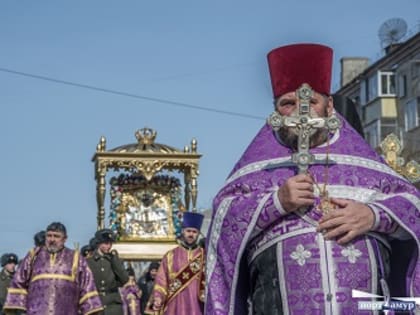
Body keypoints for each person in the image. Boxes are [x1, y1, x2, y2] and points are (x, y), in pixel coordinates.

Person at [205, 43, 420, 314]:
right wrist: (276, 201)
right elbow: (223, 220)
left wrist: (373, 215)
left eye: (311, 102)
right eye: (288, 103)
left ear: (330, 106)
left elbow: (414, 205)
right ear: (274, 111)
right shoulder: (260, 167)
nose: (301, 112)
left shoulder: (366, 164)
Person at [3, 222, 103, 315]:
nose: (52, 239)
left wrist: (90, 309)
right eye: (49, 235)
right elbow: (18, 281)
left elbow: (87, 286)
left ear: (65, 239)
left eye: (56, 236)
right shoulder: (33, 256)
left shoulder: (76, 258)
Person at [146, 212, 206, 315]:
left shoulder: (205, 256)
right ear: (183, 231)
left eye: (194, 232)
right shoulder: (170, 256)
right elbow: (161, 281)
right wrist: (158, 297)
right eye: (188, 231)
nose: (191, 234)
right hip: (175, 306)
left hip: (197, 306)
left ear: (198, 233)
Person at [87, 228, 129, 315]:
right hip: (96, 304)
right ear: (99, 243)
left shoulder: (114, 260)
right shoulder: (89, 261)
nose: (109, 246)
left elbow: (124, 279)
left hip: (113, 306)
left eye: (110, 243)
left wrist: (115, 261)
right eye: (106, 243)